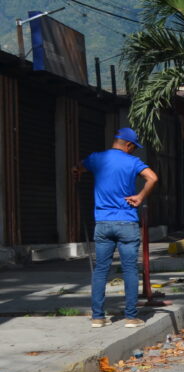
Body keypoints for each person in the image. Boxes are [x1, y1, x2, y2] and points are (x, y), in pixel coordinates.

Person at [74, 127, 159, 329]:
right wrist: (140, 197)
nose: (133, 151)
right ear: (128, 145)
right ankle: (130, 317)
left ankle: (97, 317)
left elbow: (77, 168)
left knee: (101, 270)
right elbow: (152, 178)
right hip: (127, 222)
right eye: (133, 147)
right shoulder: (132, 162)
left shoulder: (97, 158)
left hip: (102, 223)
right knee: (130, 269)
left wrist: (77, 172)